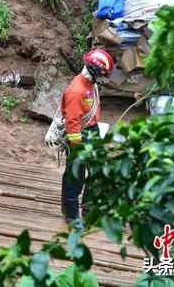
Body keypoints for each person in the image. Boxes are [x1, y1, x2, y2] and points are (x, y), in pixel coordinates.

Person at [61, 49, 114, 229]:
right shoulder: (77, 90)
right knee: (75, 177)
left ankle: (89, 209)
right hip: (79, 136)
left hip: (92, 131)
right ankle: (71, 215)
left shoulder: (91, 84)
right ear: (94, 72)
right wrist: (78, 147)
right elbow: (72, 123)